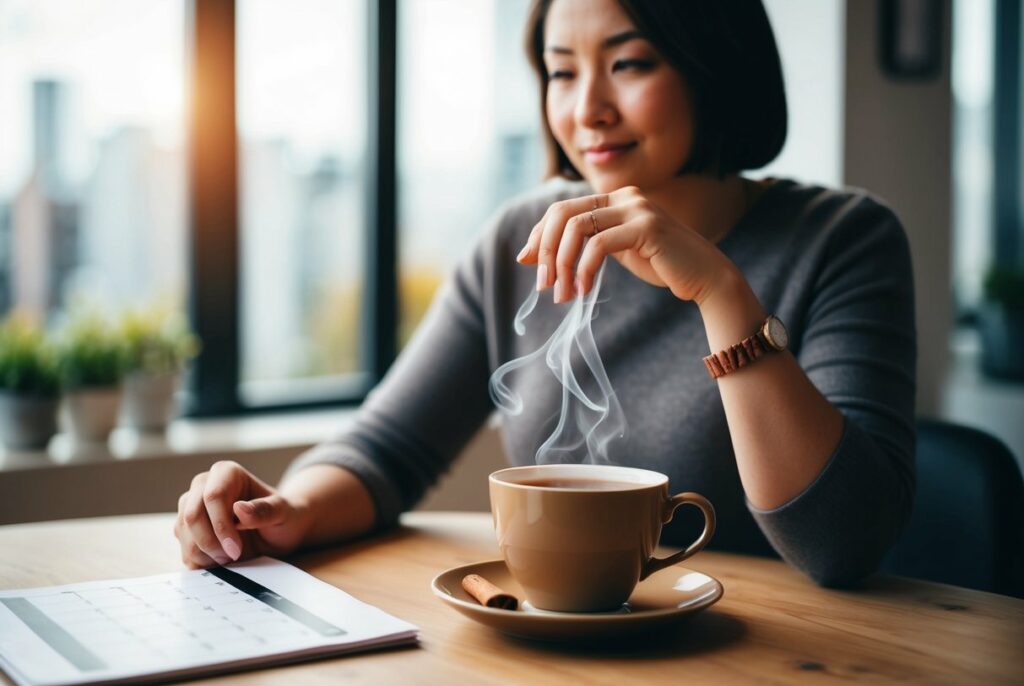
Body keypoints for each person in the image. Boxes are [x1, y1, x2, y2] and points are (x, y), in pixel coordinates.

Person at [174, 0, 915, 587]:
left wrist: (720, 293)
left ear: (713, 65)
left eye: (628, 63)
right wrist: (288, 510)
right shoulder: (523, 238)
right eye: (562, 72)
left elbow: (841, 546)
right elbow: (390, 449)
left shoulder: (843, 239)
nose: (587, 108)